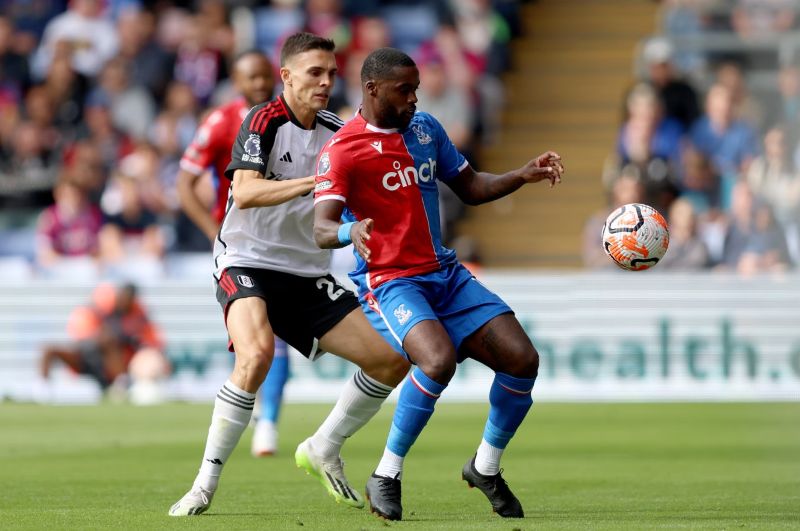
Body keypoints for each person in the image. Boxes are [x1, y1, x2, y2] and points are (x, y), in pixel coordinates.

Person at [313, 47, 564, 521]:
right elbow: (321, 227)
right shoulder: (342, 150)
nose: (414, 99)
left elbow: (471, 187)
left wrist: (521, 175)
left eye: (415, 89)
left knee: (522, 359)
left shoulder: (426, 129)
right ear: (372, 89)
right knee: (437, 360)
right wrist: (351, 230)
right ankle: (386, 473)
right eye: (404, 90)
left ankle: (485, 467)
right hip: (391, 282)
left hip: (445, 275)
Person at [168, 33, 410, 517]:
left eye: (331, 73)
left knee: (390, 363)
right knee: (257, 355)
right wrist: (315, 181)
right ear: (287, 77)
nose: (325, 82)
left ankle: (323, 446)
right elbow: (246, 191)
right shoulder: (262, 121)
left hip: (304, 272)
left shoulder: (338, 132)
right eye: (314, 72)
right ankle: (203, 485)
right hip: (245, 260)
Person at [176, 49, 289, 458]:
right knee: (247, 336)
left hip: (285, 239)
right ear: (236, 82)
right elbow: (185, 183)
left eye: (264, 76)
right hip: (239, 244)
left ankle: (268, 422)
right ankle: (254, 413)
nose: (259, 84)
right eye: (250, 78)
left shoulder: (292, 118)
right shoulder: (221, 121)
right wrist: (213, 231)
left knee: (278, 335)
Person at [39, 282, 166, 396]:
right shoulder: (96, 311)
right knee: (49, 349)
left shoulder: (137, 316)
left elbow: (150, 341)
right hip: (86, 357)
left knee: (111, 342)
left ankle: (122, 382)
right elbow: (82, 336)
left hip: (112, 364)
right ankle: (43, 389)